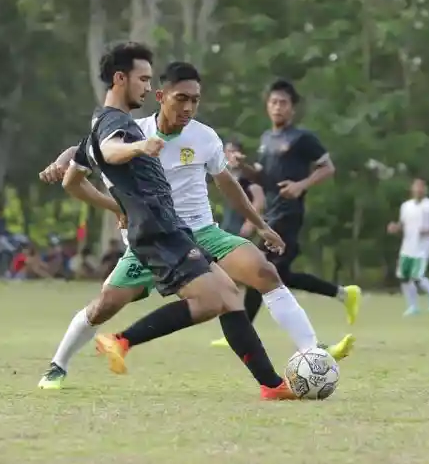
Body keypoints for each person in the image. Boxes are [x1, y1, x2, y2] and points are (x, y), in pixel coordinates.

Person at [42, 45, 298, 399]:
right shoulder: (119, 127)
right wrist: (137, 150)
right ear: (121, 78)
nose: (147, 87)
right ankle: (116, 343)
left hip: (169, 232)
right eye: (143, 79)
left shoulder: (112, 124)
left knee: (227, 296)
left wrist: (117, 206)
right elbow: (113, 149)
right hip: (157, 235)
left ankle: (271, 385)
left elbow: (74, 177)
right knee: (205, 301)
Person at [213, 79, 361, 348]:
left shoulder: (302, 138)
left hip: (289, 215)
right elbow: (263, 175)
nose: (277, 107)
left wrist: (300, 185)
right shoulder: (267, 139)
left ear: (293, 108)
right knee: (274, 274)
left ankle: (245, 334)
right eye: (273, 102)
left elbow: (328, 168)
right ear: (267, 106)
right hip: (271, 215)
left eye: (283, 102)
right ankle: (342, 294)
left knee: (264, 272)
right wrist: (243, 165)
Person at [386, 178, 429, 315]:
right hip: (407, 246)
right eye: (415, 187)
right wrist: (395, 227)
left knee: (417, 276)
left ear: (425, 189)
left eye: (421, 187)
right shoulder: (406, 206)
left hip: (423, 247)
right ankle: (413, 306)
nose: (418, 190)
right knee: (404, 277)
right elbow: (402, 224)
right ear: (412, 189)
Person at [220, 140, 265, 238]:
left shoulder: (247, 174)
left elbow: (259, 199)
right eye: (227, 152)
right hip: (228, 226)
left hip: (242, 227)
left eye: (233, 151)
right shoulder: (227, 173)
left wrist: (249, 224)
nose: (230, 155)